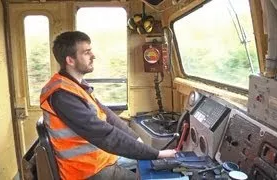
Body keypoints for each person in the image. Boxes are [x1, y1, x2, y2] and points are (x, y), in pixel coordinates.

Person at [40, 31, 177, 180]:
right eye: (86, 52)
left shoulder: (77, 86)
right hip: (86, 170)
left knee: (146, 160)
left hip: (98, 157)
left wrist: (136, 139)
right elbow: (103, 134)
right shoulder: (62, 95)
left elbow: (108, 116)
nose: (93, 56)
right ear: (70, 60)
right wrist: (157, 154)